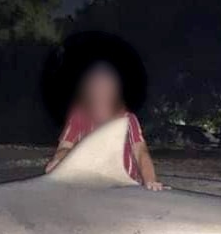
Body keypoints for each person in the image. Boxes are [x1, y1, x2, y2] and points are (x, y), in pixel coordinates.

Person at [45, 61, 163, 191]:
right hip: (87, 187)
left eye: (106, 89)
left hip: (127, 186)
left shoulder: (127, 119)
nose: (101, 93)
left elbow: (141, 152)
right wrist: (59, 161)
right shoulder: (78, 117)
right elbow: (63, 149)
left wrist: (150, 180)